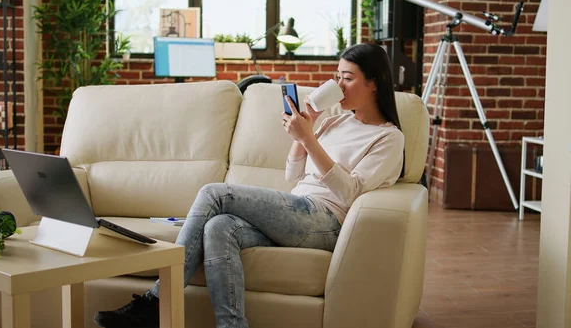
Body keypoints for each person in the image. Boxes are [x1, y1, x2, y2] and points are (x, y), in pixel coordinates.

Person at [93, 43, 405, 328]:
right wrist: (304, 132)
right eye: (336, 76)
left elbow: (351, 192)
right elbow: (293, 174)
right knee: (219, 227)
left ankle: (155, 302)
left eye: (347, 78)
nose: (337, 85)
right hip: (298, 210)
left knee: (214, 193)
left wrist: (309, 138)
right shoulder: (336, 121)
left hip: (327, 222)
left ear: (373, 82)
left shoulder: (389, 138)